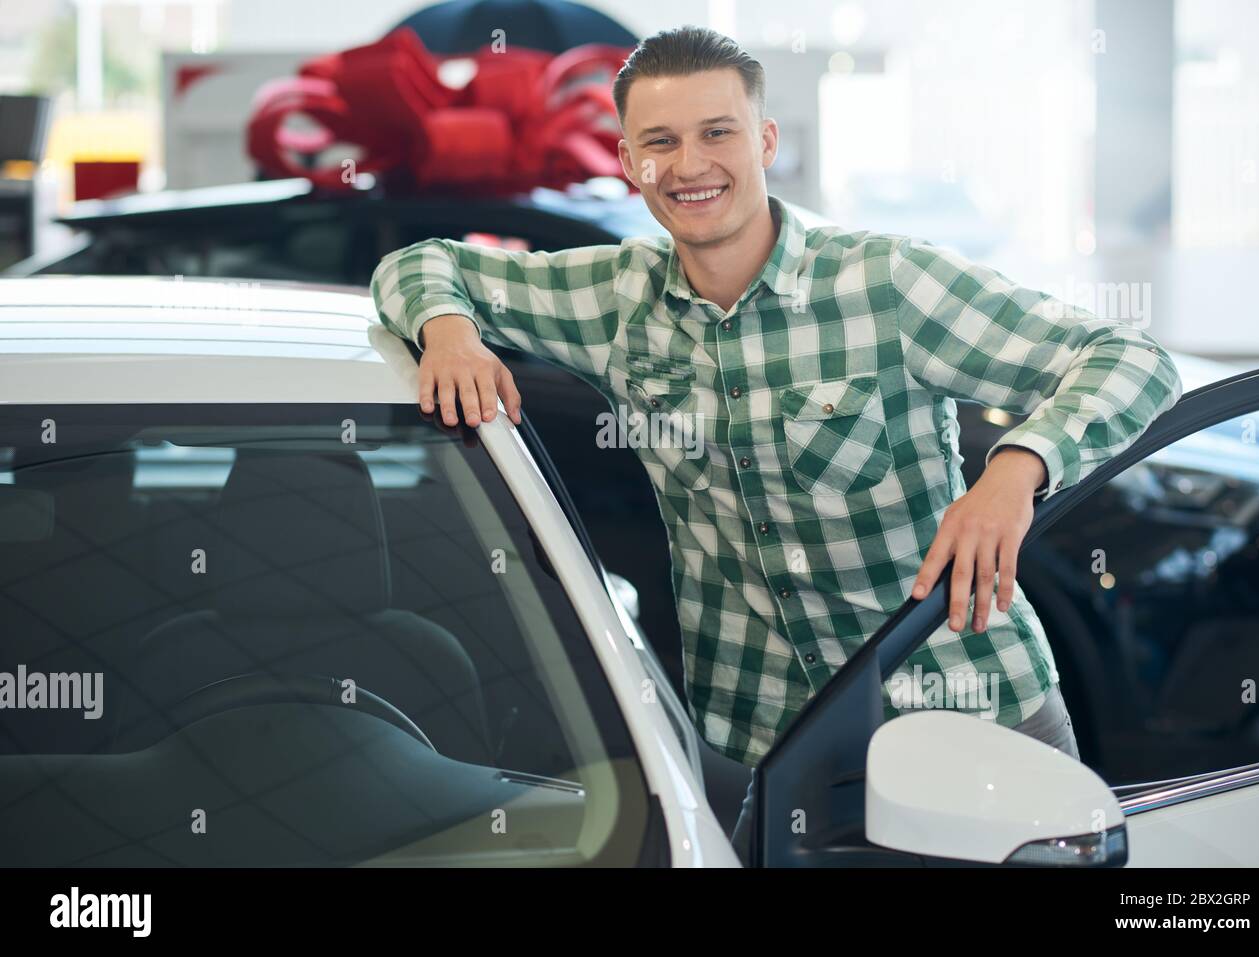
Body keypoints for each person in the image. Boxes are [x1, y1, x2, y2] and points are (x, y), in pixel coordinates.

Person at [371, 25, 1182, 866]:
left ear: (764, 140)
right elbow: (418, 263)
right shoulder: (615, 300)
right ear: (628, 161)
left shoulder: (885, 284)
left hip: (968, 717)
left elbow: (1131, 359)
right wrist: (450, 332)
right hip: (768, 742)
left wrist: (1016, 469)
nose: (690, 165)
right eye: (662, 142)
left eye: (717, 132)